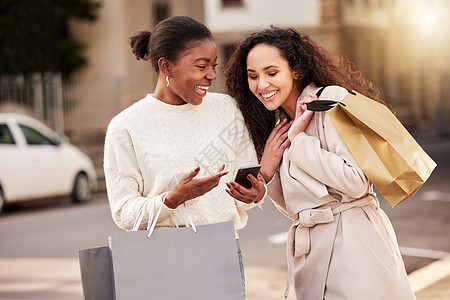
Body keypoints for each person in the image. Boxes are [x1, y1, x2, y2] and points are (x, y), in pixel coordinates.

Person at [225, 26, 416, 300]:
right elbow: (295, 206)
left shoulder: (329, 101)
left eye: (272, 73)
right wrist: (265, 176)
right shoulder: (277, 127)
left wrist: (299, 140)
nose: (261, 85)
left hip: (356, 247)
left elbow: (355, 182)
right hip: (310, 255)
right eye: (253, 76)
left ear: (296, 71)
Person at [103, 15, 266, 297]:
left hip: (223, 255)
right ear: (166, 66)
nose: (212, 75)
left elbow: (247, 186)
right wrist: (173, 199)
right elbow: (124, 213)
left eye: (214, 66)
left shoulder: (227, 110)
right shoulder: (125, 127)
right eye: (201, 66)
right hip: (160, 262)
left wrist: (254, 194)